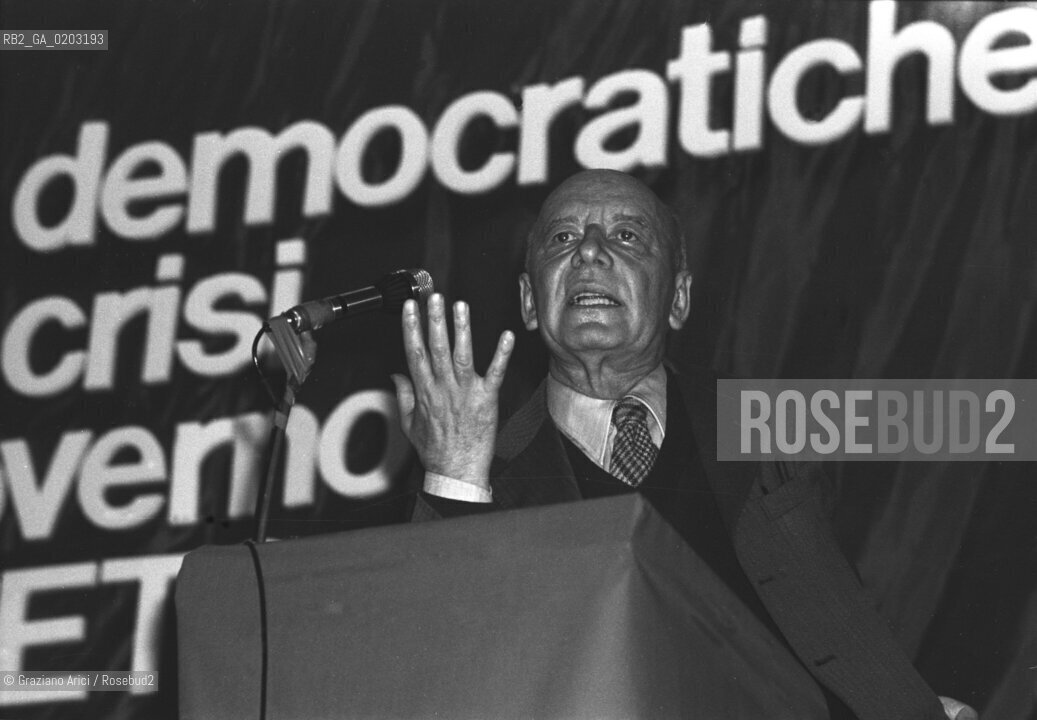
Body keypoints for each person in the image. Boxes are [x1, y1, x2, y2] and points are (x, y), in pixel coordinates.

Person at [389, 169, 976, 720]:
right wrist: (455, 471)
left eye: (626, 235)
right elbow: (430, 670)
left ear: (678, 299)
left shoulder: (766, 415)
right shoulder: (483, 469)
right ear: (528, 302)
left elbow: (982, 423)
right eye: (563, 237)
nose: (589, 251)